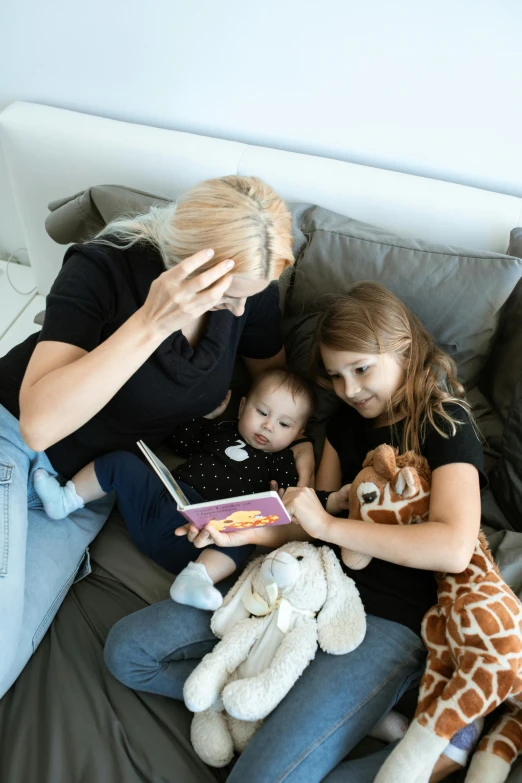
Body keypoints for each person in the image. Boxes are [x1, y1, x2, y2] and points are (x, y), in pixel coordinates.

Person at [103, 281, 486, 783]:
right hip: (303, 587)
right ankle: (268, 707)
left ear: (404, 349)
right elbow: (307, 530)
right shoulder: (346, 428)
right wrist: (242, 533)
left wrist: (331, 524)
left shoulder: (445, 421)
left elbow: (454, 547)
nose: (349, 389)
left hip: (382, 620)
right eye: (336, 376)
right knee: (127, 652)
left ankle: (431, 758)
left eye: (361, 369)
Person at [0, 175, 315, 697]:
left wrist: (295, 446)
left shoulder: (246, 296)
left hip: (87, 489)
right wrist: (151, 322)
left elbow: (273, 386)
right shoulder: (104, 268)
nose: (240, 310)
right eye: (229, 296)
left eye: (250, 297)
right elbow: (39, 421)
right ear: (188, 265)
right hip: (14, 440)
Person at [32, 368, 314, 611]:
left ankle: (197, 578)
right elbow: (181, 443)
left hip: (201, 537)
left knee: (244, 539)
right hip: (162, 501)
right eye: (262, 412)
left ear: (299, 434)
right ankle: (65, 499)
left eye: (284, 424)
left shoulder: (282, 462)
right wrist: (205, 417)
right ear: (242, 408)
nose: (267, 425)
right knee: (121, 461)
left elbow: (295, 501)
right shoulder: (222, 429)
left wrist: (283, 499)